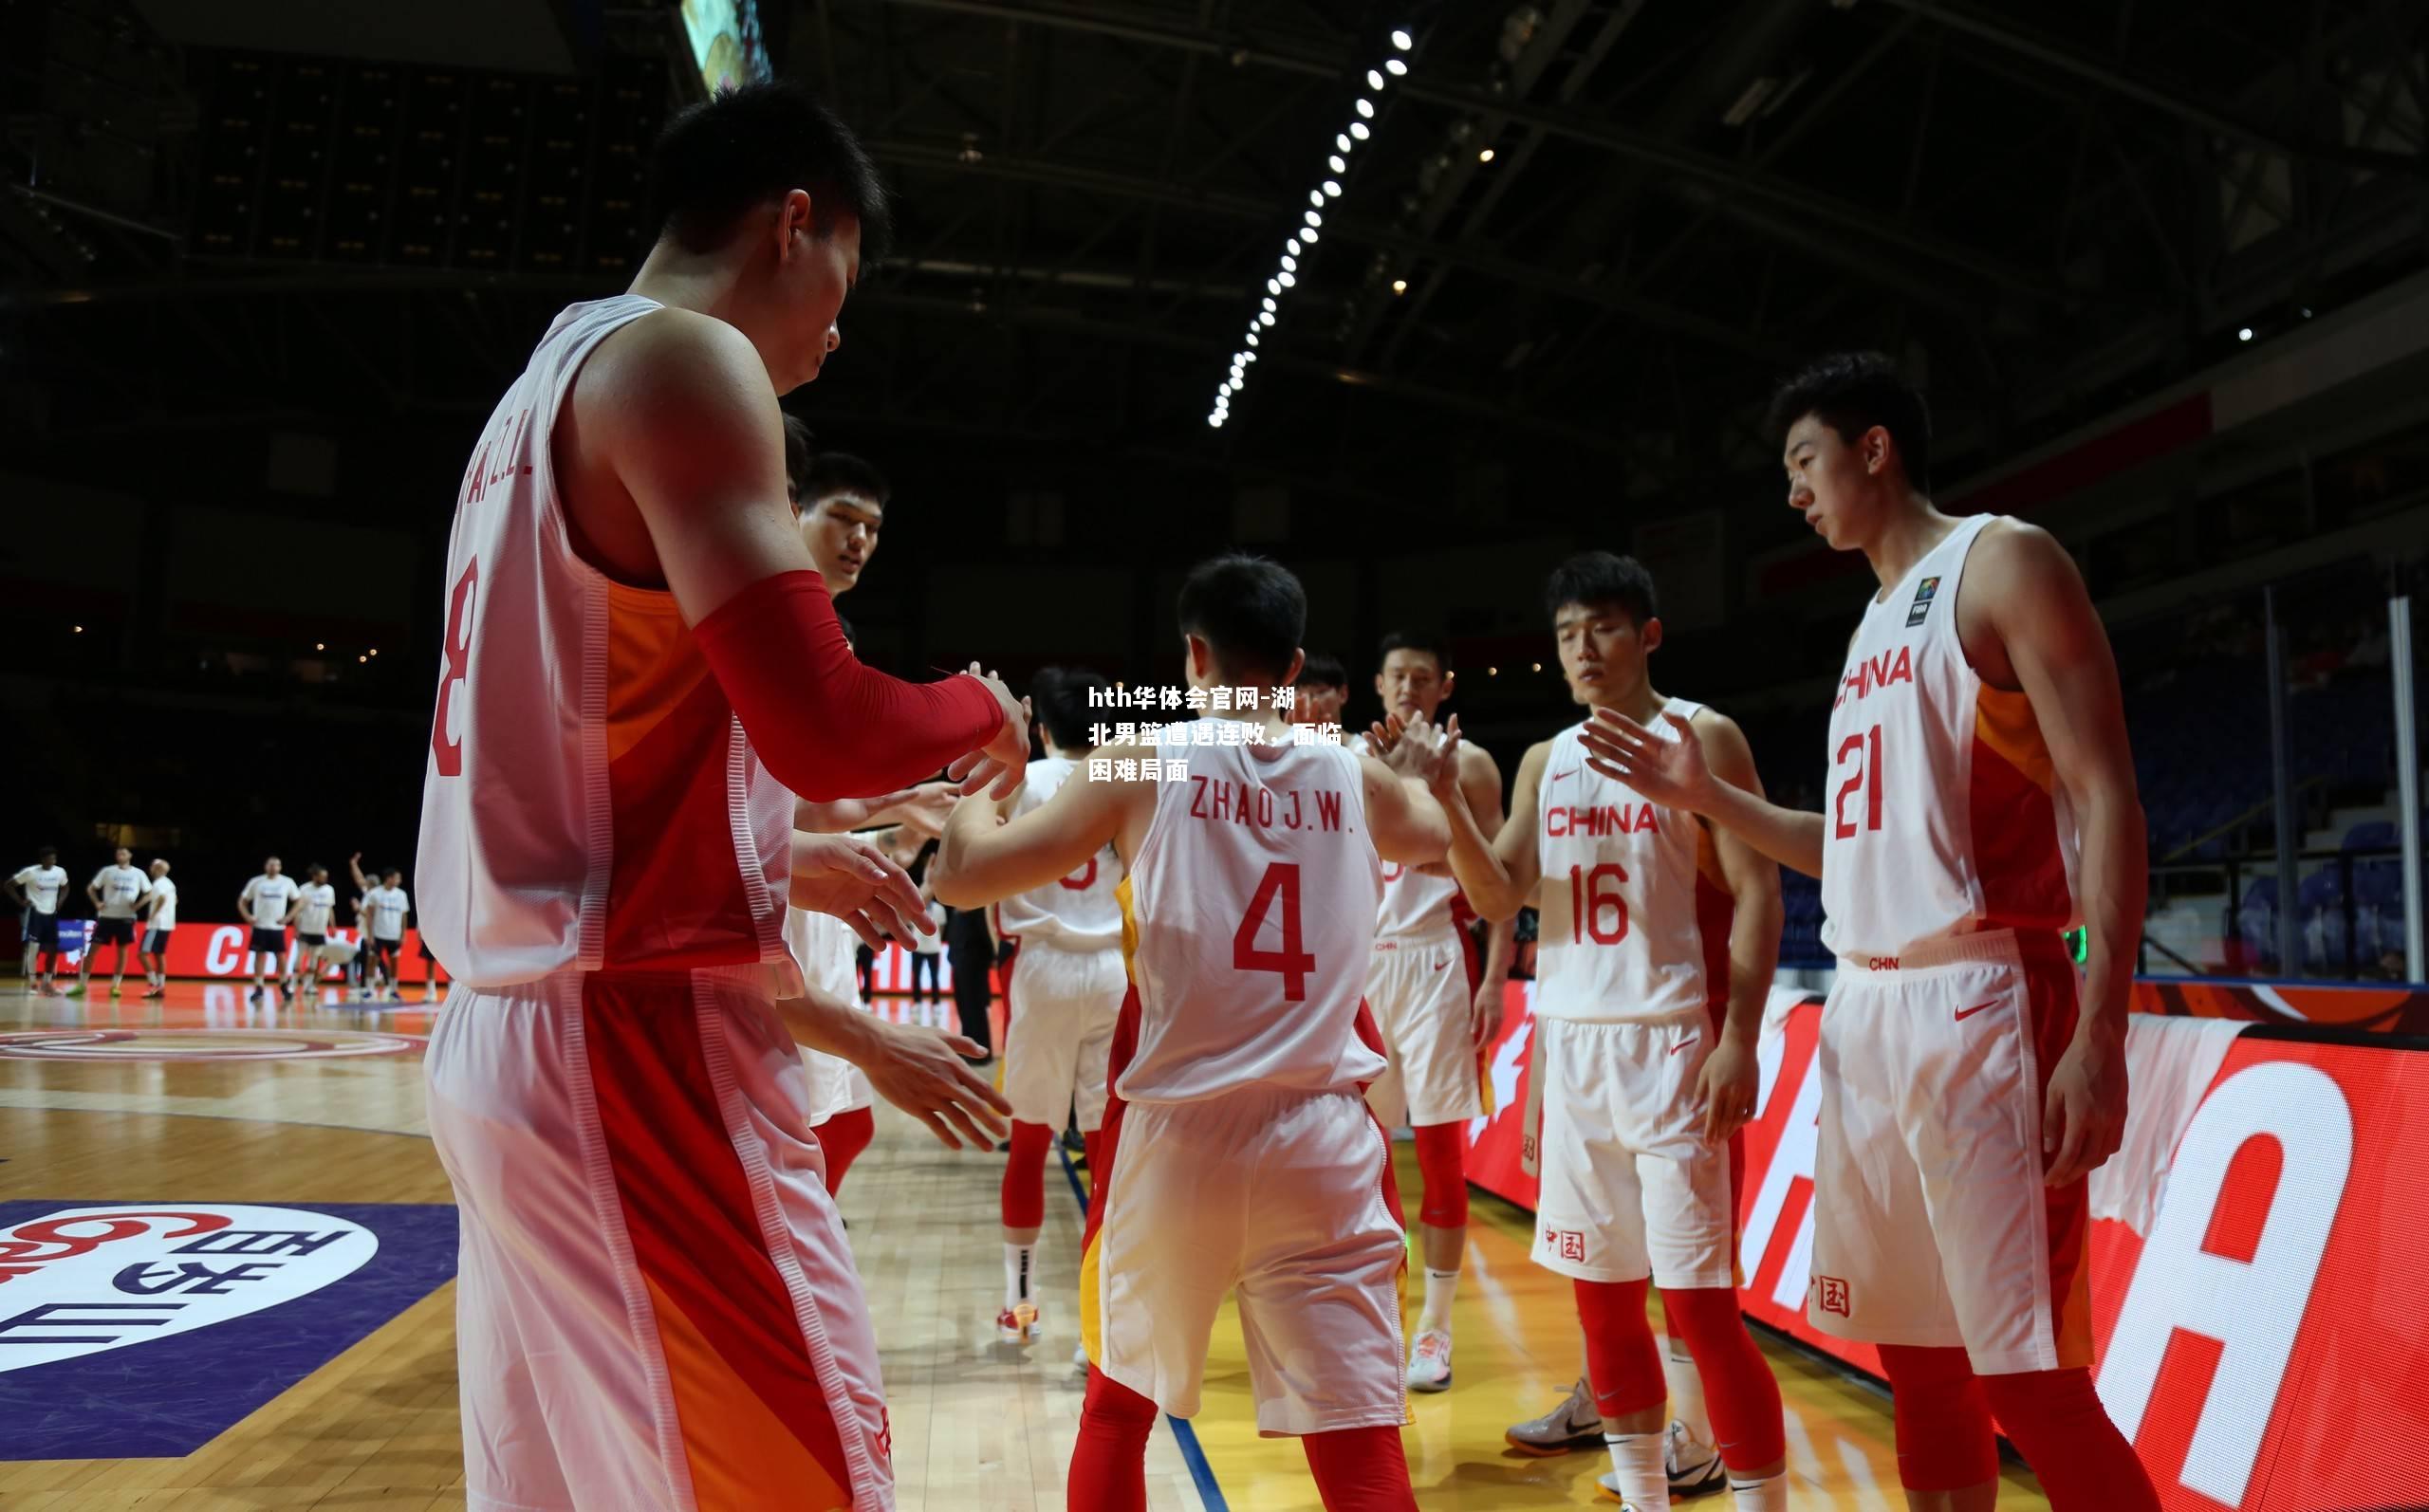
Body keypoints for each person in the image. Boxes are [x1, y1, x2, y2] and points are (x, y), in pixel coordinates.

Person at [414, 78, 1029, 1512]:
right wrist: (982, 704)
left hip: (507, 1032)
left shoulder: (536, 389)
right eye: (844, 284)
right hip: (632, 1039)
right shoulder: (686, 360)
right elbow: (827, 724)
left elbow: (582, 730)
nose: (832, 334)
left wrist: (778, 860)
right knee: (807, 1481)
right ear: (792, 224)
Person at [1579, 353, 2159, 1512]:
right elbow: (1844, 850)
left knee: (2032, 1381)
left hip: (1984, 995)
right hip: (1867, 1009)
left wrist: (2101, 1028)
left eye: (1804, 461)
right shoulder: (1868, 626)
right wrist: (1710, 801)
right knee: (1922, 1369)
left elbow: (2104, 797)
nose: (1793, 494)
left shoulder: (2002, 562)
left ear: (1874, 448)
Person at [932, 553, 1452, 1512]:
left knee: (1117, 1412)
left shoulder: (1141, 758)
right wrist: (1414, 769)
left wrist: (987, 783)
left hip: (1182, 1138)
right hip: (1324, 1139)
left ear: (1193, 653)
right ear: (1294, 666)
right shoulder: (1350, 770)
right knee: (1359, 1449)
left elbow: (960, 878)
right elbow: (1429, 830)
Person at [1408, 553, 1788, 1512]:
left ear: (1648, 634)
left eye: (1604, 628)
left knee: (1701, 1312)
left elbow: (1757, 889)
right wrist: (1449, 798)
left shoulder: (1704, 736)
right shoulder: (1547, 759)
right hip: (1573, 1049)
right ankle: (1646, 1497)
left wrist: (1738, 1034)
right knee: (1604, 1306)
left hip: (1670, 1046)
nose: (1583, 649)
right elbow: (1496, 893)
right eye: (1568, 633)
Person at [1352, 631, 1514, 1394]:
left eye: (1423, 677)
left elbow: (1502, 875)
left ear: (1445, 685)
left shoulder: (1472, 763)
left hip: (1441, 961)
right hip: (1367, 965)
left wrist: (1496, 979)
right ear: (1378, 685)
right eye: (1397, 677)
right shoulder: (1351, 758)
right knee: (1363, 1154)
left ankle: (1436, 1332)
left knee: (1443, 1159)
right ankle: (1378, 1316)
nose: (1409, 688)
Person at [980, 665, 1126, 1352]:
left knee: (1031, 1143)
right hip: (1111, 973)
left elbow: (980, 870)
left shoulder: (1023, 781)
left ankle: (1020, 1305)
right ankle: (1101, 1318)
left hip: (1043, 969)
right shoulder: (1119, 782)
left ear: (1040, 727)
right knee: (1104, 1151)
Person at [78, 845, 150, 999]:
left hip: (126, 918)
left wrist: (138, 905)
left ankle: (115, 986)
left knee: (122, 953)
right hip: (106, 917)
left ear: (129, 855)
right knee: (92, 952)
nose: (120, 855)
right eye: (118, 853)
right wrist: (97, 903)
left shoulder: (138, 873)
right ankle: (82, 985)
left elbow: (149, 892)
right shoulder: (107, 871)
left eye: (123, 853)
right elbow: (91, 888)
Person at [237, 857, 300, 1005]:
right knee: (260, 956)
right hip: (260, 925)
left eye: (277, 865)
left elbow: (298, 900)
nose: (273, 867)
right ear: (265, 866)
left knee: (281, 956)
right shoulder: (256, 882)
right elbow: (242, 900)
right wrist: (247, 916)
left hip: (277, 927)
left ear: (280, 867)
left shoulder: (287, 882)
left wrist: (288, 917)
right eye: (271, 865)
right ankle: (259, 987)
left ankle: (284, 985)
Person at [7, 846, 69, 996]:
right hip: (35, 913)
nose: (52, 861)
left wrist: (60, 901)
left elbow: (66, 887)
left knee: (53, 950)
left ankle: (47, 983)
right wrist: (21, 901)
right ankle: (33, 983)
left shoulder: (59, 872)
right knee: (33, 948)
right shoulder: (31, 872)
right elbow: (8, 885)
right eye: (49, 859)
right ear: (42, 859)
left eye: (54, 859)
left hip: (51, 914)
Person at [283, 864, 340, 1000]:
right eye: (322, 876)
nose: (325, 878)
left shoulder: (329, 890)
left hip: (320, 930)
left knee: (314, 960)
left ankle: (308, 986)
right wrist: (296, 928)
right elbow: (298, 910)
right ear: (314, 876)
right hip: (305, 929)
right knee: (299, 958)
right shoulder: (304, 889)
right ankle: (293, 984)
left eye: (326, 876)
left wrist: (333, 926)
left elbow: (330, 909)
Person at [362, 868, 411, 1003]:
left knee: (394, 963)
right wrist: (370, 935)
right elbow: (369, 916)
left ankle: (393, 990)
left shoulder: (401, 895)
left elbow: (404, 915)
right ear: (388, 878)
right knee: (372, 961)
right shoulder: (375, 894)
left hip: (394, 935)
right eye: (397, 878)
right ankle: (370, 990)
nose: (399, 881)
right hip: (378, 934)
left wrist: (403, 934)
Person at [137, 857, 176, 999]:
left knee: (142, 954)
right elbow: (175, 900)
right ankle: (160, 987)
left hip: (156, 924)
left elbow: (161, 899)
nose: (151, 868)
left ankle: (154, 985)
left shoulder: (159, 883)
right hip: (167, 924)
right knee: (159, 955)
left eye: (153, 866)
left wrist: (153, 914)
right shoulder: (169, 884)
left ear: (159, 869)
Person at [1292, 651, 1348, 726]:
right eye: (1300, 694)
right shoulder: (1281, 736)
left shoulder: (1365, 738)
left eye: (1320, 692)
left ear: (1342, 694)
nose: (1308, 703)